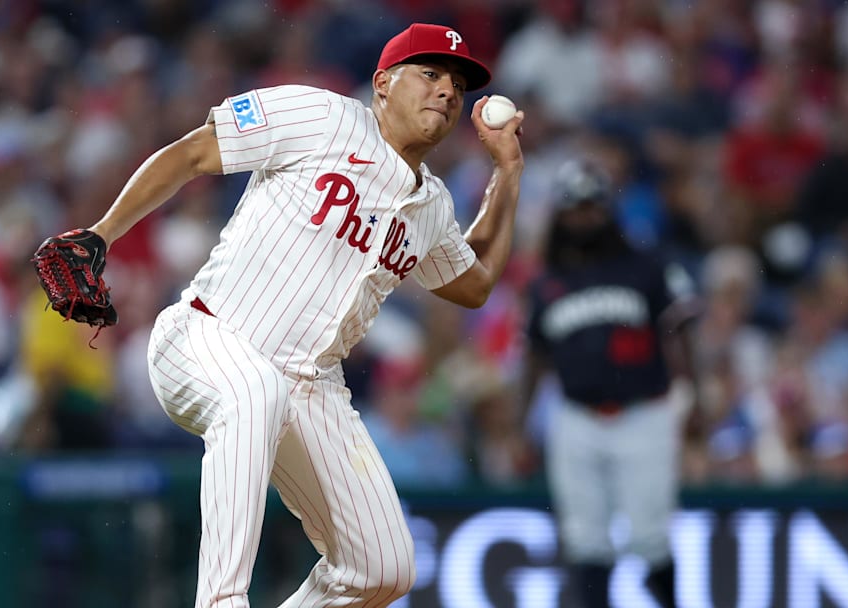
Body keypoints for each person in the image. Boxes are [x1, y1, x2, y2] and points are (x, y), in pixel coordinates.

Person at [41, 22, 525, 607]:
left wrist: (507, 173)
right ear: (383, 84)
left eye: (457, 84)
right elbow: (195, 151)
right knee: (255, 391)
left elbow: (474, 284)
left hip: (314, 387)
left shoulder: (434, 206)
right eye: (429, 74)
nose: (447, 91)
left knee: (382, 569)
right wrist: (101, 234)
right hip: (208, 334)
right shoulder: (320, 116)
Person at [519, 159, 701, 608]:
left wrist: (698, 399)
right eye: (574, 209)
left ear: (607, 209)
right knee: (585, 538)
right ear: (560, 216)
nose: (584, 217)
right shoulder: (546, 283)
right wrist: (522, 423)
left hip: (645, 413)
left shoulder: (647, 266)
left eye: (591, 206)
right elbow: (534, 358)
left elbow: (680, 335)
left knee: (648, 535)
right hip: (576, 417)